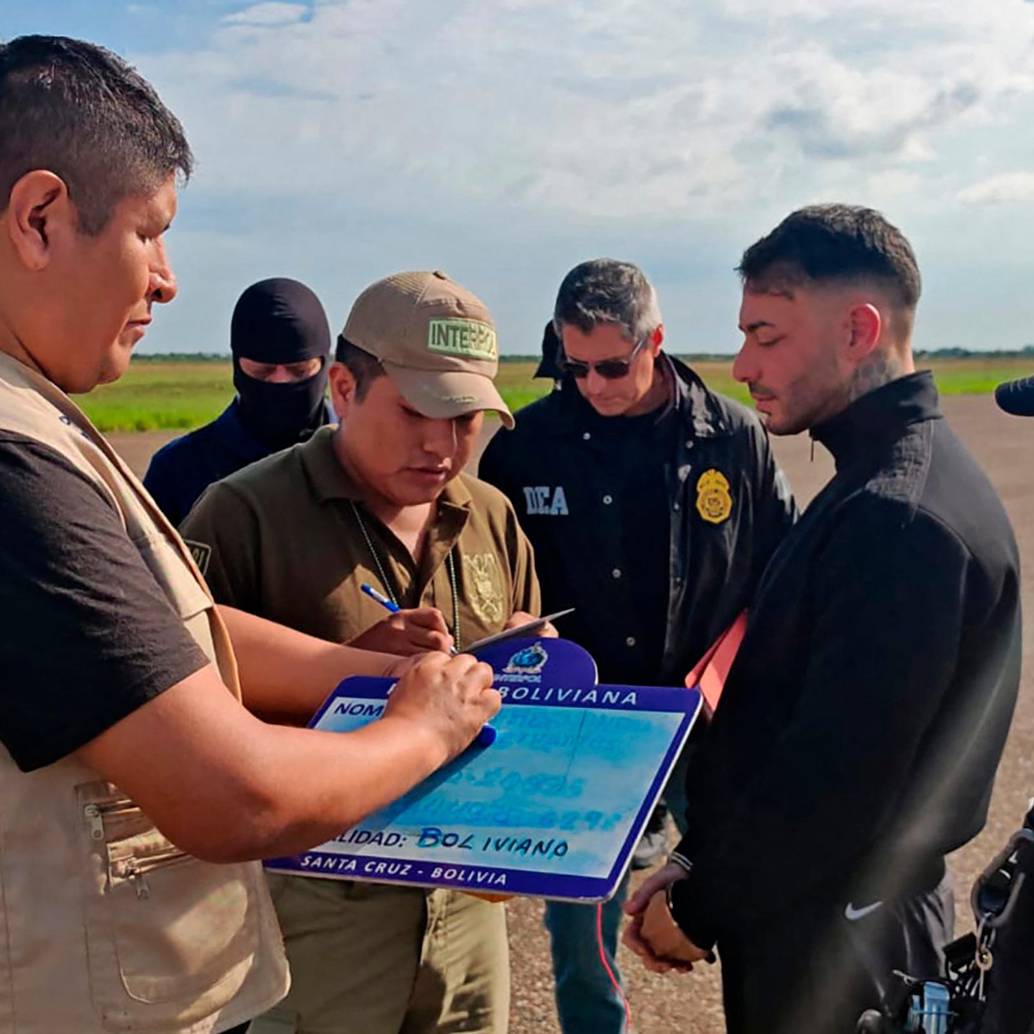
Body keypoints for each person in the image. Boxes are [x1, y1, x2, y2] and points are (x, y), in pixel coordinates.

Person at [0, 35, 500, 1034]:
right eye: (152, 232)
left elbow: (155, 634)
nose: (169, 280)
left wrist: (347, 672)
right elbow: (236, 795)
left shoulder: (37, 422)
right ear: (41, 216)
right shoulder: (15, 459)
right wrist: (422, 725)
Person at [625, 205, 1022, 1034]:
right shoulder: (884, 482)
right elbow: (789, 722)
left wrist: (702, 906)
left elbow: (836, 782)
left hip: (845, 944)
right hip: (826, 917)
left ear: (858, 329)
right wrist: (700, 858)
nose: (741, 364)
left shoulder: (899, 516)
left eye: (767, 335)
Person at [182, 269, 543, 1034]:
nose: (443, 445)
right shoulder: (243, 513)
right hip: (314, 911)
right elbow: (179, 714)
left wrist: (543, 680)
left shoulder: (492, 518)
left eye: (467, 419)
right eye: (416, 412)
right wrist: (346, 672)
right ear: (344, 387)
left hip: (469, 907)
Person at [479, 258, 795, 1034]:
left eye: (613, 366)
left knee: (757, 885)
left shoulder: (732, 435)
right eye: (572, 366)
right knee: (579, 927)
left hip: (703, 718)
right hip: (584, 728)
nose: (592, 384)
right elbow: (490, 578)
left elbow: (785, 571)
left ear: (656, 340)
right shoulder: (525, 447)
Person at [144, 276, 335, 525]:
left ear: (326, 367)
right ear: (237, 365)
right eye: (262, 371)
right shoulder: (178, 470)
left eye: (299, 371)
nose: (279, 382)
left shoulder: (365, 459)